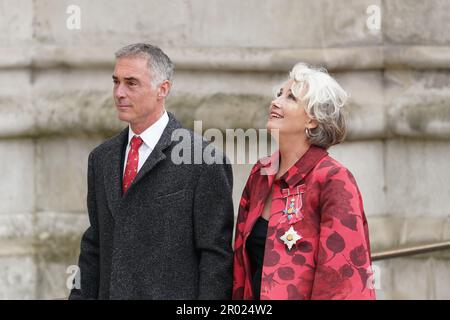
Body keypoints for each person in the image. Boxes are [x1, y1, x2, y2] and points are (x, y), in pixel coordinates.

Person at [69, 43, 234, 299]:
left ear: (163, 89)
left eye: (131, 83)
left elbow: (215, 258)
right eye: (116, 82)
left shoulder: (203, 160)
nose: (119, 93)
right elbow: (94, 246)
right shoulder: (101, 158)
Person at [232, 63, 376, 300]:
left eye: (291, 98)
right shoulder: (261, 173)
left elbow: (342, 283)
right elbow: (240, 271)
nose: (276, 102)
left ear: (313, 120)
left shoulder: (333, 179)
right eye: (279, 94)